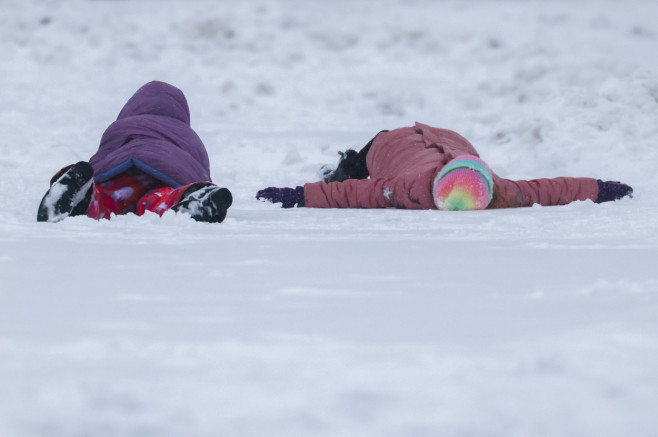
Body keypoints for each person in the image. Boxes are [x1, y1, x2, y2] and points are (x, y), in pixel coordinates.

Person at [256, 122, 633, 210]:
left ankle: (347, 162)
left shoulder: (498, 190)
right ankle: (344, 163)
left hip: (446, 142)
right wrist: (599, 187)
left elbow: (551, 188)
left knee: (368, 163)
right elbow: (351, 189)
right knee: (355, 168)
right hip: (394, 140)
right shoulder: (409, 186)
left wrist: (297, 196)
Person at [37, 81, 232, 223]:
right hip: (167, 178)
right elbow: (198, 168)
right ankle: (188, 198)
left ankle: (86, 197)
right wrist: (196, 183)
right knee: (159, 199)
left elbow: (105, 153)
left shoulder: (122, 125)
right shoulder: (189, 136)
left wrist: (95, 173)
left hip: (124, 175)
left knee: (110, 198)